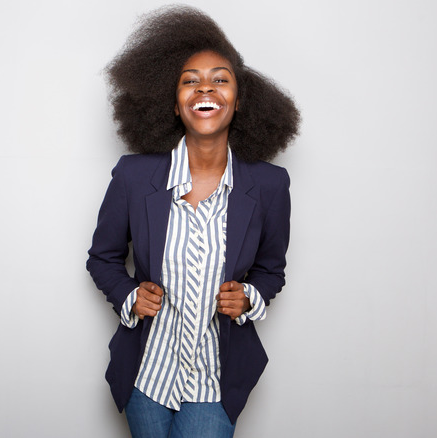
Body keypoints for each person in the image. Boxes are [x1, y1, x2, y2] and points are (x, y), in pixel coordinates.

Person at [86, 5, 300, 437]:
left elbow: (270, 269)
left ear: (239, 101)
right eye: (190, 81)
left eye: (221, 79)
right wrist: (129, 296)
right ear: (175, 100)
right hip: (147, 374)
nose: (206, 88)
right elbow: (102, 258)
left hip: (216, 381)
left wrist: (249, 298)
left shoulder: (270, 185)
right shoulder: (133, 176)